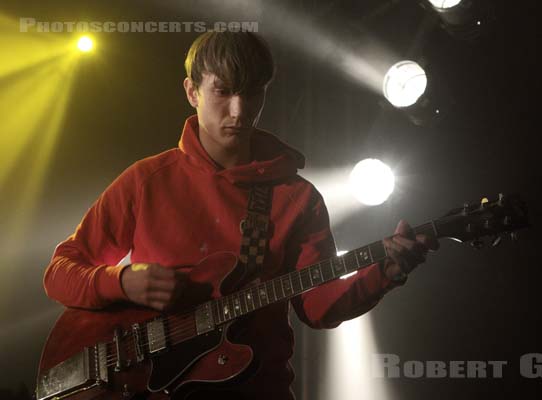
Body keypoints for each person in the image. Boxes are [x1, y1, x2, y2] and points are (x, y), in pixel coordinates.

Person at [43, 32, 439, 399]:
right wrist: (122, 282)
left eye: (252, 94)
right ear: (191, 91)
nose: (239, 110)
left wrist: (383, 272)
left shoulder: (297, 198)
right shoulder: (146, 180)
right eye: (223, 92)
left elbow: (318, 307)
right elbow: (60, 272)